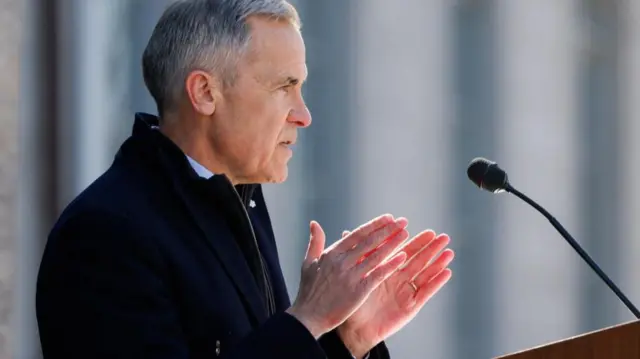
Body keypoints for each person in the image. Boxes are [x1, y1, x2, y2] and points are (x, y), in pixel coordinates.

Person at [35, 0, 455, 358]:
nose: (303, 115)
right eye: (284, 87)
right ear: (204, 93)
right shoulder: (105, 233)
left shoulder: (237, 202)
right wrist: (307, 318)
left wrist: (345, 340)